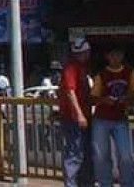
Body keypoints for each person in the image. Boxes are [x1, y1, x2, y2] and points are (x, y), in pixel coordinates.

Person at [91, 46, 134, 187]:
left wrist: (127, 98)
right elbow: (94, 98)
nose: (115, 58)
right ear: (107, 57)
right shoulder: (101, 74)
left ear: (122, 56)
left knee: (125, 155)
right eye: (112, 55)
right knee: (101, 156)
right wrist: (104, 99)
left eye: (118, 55)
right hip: (101, 118)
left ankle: (128, 183)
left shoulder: (130, 72)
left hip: (120, 118)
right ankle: (105, 183)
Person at [60, 37, 94, 187]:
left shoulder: (82, 68)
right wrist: (79, 114)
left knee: (84, 153)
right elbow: (70, 92)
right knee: (74, 154)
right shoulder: (71, 68)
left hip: (83, 116)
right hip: (74, 118)